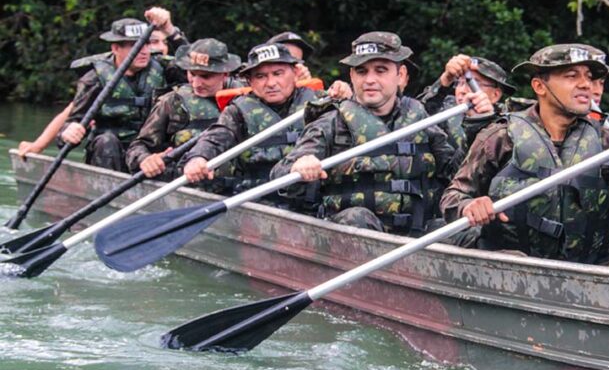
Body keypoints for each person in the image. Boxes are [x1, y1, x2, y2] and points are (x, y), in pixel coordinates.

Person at [440, 43, 609, 270]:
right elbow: (452, 197)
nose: (586, 84)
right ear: (539, 86)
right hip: (512, 266)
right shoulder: (500, 136)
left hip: (588, 264)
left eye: (589, 77)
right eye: (571, 76)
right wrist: (469, 206)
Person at [272, 32, 493, 234]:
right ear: (352, 75)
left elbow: (455, 174)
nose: (369, 80)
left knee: (471, 231)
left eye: (380, 70)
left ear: (400, 74)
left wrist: (476, 128)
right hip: (351, 239)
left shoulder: (420, 120)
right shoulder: (331, 122)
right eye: (361, 71)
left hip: (416, 236)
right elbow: (279, 176)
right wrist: (298, 165)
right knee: (357, 218)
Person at [180, 42, 321, 198]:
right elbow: (217, 136)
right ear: (249, 81)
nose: (271, 83)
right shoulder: (238, 110)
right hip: (260, 199)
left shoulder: (320, 102)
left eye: (278, 73)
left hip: (312, 198)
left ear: (295, 72)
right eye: (260, 76)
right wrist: (198, 157)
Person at [56, 10, 180, 171]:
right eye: (134, 46)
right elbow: (73, 121)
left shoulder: (163, 68)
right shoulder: (94, 78)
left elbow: (192, 65)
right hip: (113, 153)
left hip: (150, 152)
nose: (143, 51)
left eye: (146, 44)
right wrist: (68, 132)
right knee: (106, 142)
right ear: (115, 48)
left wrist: (170, 30)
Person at [125, 38, 242, 179]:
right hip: (187, 186)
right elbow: (137, 146)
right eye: (192, 74)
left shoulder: (246, 99)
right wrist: (145, 159)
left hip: (242, 188)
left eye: (206, 76)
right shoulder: (172, 102)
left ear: (225, 74)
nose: (196, 83)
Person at [417, 54, 515, 152]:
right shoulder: (445, 110)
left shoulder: (510, 122)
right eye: (459, 82)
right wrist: (444, 82)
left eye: (473, 83)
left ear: (495, 95)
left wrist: (482, 120)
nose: (462, 90)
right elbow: (414, 117)